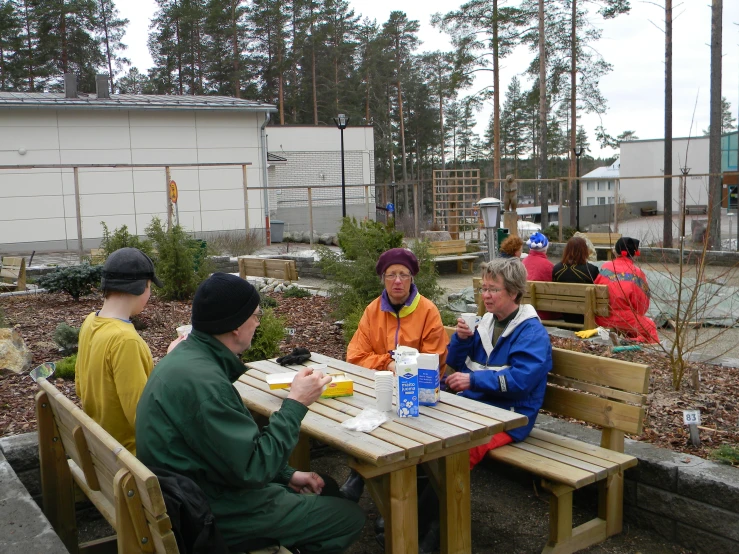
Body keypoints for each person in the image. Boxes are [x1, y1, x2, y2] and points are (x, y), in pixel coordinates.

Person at [135, 273, 365, 553]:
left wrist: (286, 474)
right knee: (349, 517)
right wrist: (296, 402)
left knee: (325, 490)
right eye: (255, 315)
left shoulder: (185, 361)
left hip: (187, 493)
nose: (258, 322)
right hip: (209, 513)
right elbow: (252, 470)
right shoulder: (207, 387)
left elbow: (228, 452)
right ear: (235, 326)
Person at [446, 257, 553, 467]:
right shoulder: (486, 322)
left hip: (510, 418)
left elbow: (520, 382)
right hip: (478, 408)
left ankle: (438, 499)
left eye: (493, 289)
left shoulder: (531, 333)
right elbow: (456, 364)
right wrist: (461, 339)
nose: (485, 295)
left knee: (455, 450)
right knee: (427, 430)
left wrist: (474, 381)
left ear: (513, 292)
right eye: (483, 288)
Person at [75, 247, 164, 455]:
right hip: (129, 456)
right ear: (143, 286)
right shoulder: (125, 340)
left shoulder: (90, 322)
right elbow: (142, 419)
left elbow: (80, 387)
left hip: (102, 448)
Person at [346, 247, 448, 373]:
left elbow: (432, 361)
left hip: (416, 387)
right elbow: (355, 357)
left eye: (404, 275)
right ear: (383, 279)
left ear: (411, 278)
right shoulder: (372, 311)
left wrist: (402, 368)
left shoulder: (428, 311)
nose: (398, 281)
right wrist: (387, 364)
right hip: (379, 384)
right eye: (391, 275)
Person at [594, 237, 659, 343]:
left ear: (616, 252)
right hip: (623, 319)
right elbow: (641, 305)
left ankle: (631, 340)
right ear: (635, 253)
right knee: (650, 326)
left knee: (635, 323)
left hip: (600, 317)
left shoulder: (605, 267)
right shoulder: (636, 273)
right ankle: (646, 351)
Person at [552, 236, 601, 325]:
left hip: (564, 312)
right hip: (585, 313)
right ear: (584, 251)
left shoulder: (556, 269)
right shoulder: (592, 270)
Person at [522, 231, 559, 320]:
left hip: (524, 310)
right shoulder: (549, 266)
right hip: (545, 312)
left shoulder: (522, 263)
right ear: (545, 248)